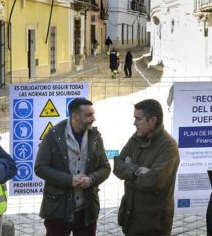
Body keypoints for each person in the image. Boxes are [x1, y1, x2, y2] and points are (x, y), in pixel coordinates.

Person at [34, 98, 111, 236]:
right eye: (88, 115)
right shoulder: (53, 135)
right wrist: (69, 180)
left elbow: (105, 168)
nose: (93, 118)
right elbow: (40, 167)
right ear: (74, 116)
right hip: (58, 209)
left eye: (93, 114)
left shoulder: (95, 137)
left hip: (87, 210)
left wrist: (91, 179)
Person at [113, 99, 180, 236]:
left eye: (138, 118)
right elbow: (117, 166)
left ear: (152, 120)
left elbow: (154, 181)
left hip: (153, 225)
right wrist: (137, 170)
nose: (134, 123)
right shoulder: (136, 138)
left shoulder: (168, 146)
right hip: (130, 218)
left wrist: (129, 169)